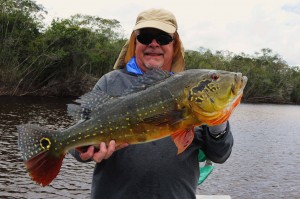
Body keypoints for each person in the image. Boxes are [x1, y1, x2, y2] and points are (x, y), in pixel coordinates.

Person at [71, 8, 233, 199]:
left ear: (174, 45)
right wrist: (88, 150)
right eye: (145, 37)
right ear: (135, 42)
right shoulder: (110, 83)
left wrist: (218, 121)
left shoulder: (195, 89)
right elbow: (77, 143)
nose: (154, 44)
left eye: (163, 38)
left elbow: (219, 155)